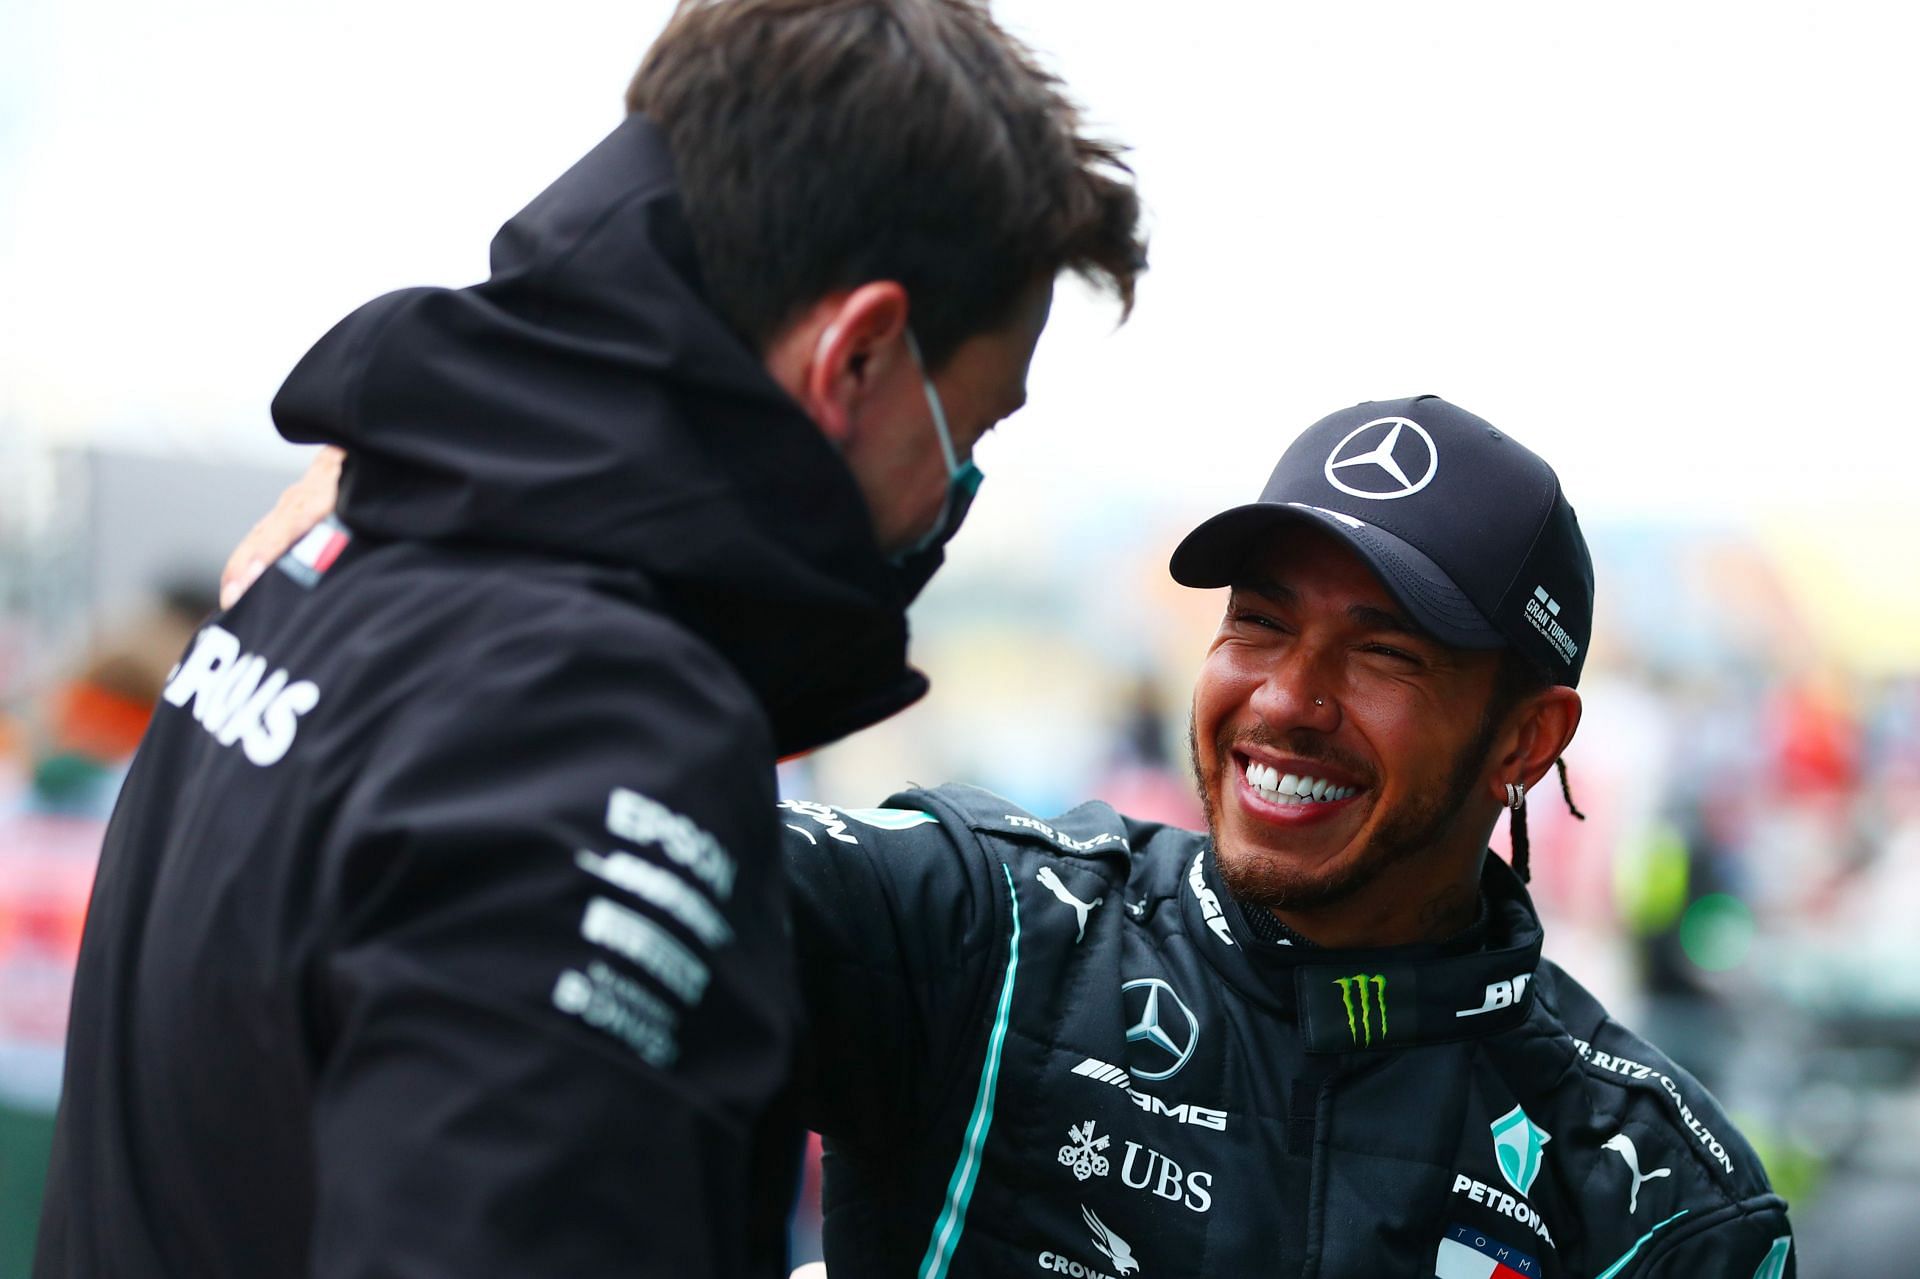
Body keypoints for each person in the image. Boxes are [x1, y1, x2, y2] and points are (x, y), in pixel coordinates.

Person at [35, 2, 1144, 1275]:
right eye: (975, 434)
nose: (953, 495)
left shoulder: (334, 550)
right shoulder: (600, 717)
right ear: (860, 357)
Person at [221, 396, 1798, 1277]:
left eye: (1385, 653)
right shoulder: (995, 930)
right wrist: (397, 588)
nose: (1289, 699)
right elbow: (596, 856)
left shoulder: (1657, 1193)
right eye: (1258, 623)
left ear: (1530, 738)